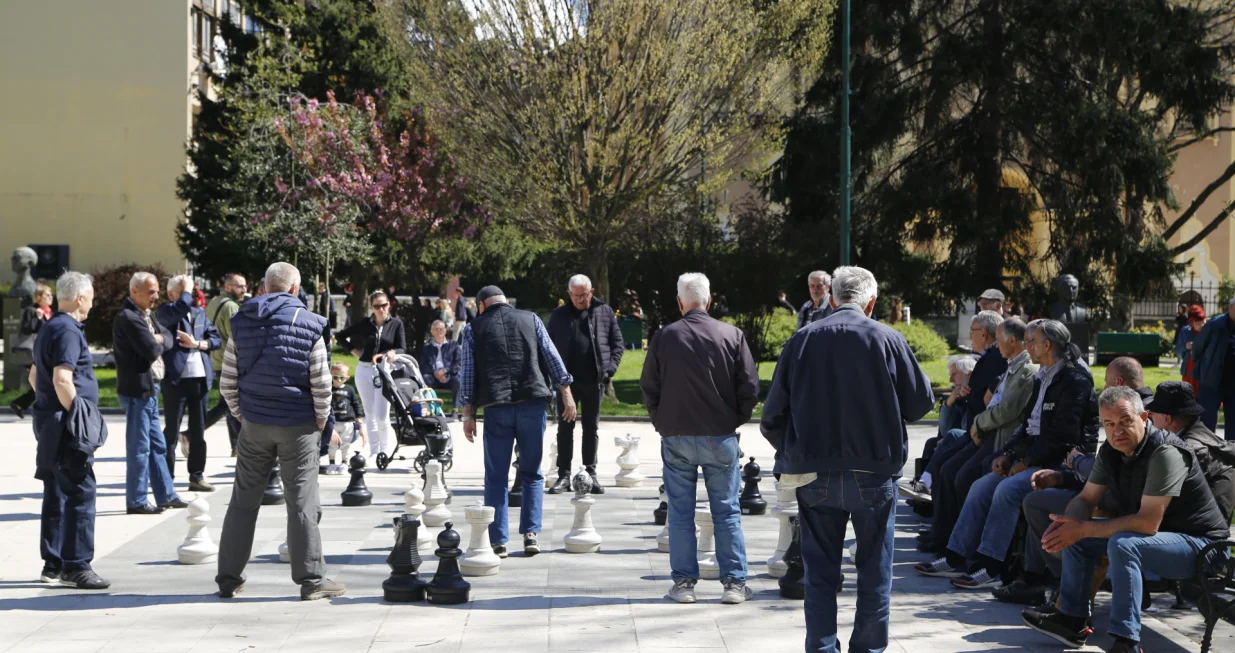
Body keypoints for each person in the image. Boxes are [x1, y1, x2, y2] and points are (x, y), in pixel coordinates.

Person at [761, 266, 934, 651]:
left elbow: (772, 416)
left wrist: (794, 452)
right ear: (871, 302)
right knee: (875, 572)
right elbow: (921, 402)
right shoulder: (888, 339)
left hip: (815, 470)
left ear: (834, 298)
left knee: (820, 575)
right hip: (874, 469)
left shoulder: (802, 340)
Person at [1023, 387, 1231, 653]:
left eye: (1125, 421)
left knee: (1123, 544)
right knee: (1078, 537)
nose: (1117, 431)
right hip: (1159, 540)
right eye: (1109, 424)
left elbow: (1147, 523)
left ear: (1144, 417)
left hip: (1202, 547)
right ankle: (1071, 621)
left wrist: (1084, 528)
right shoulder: (1110, 451)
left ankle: (1126, 641)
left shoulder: (1165, 452)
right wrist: (1070, 524)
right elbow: (1086, 499)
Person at [918, 320, 1099, 588]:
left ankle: (990, 566)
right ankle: (955, 556)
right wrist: (1010, 454)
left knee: (1008, 489)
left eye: (1031, 342)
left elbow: (1063, 438)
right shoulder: (1043, 376)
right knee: (981, 486)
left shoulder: (1074, 380)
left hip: (1061, 464)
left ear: (1046, 345)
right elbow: (1028, 426)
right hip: (1034, 456)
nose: (1027, 347)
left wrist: (1026, 462)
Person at [216, 262, 344, 601]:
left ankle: (228, 578)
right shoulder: (310, 324)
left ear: (264, 287)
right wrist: (320, 420)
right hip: (298, 425)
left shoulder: (241, 321)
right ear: (294, 289)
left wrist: (244, 415)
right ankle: (312, 580)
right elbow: (321, 381)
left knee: (243, 501)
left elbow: (227, 381)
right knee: (301, 503)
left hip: (255, 424)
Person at [642, 273, 759, 605]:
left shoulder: (664, 337)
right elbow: (749, 387)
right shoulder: (731, 335)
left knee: (680, 512)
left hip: (676, 434)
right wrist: (733, 419)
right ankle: (734, 584)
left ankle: (683, 584)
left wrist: (661, 422)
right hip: (719, 435)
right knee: (727, 511)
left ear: (680, 302)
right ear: (709, 300)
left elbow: (649, 386)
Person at [459, 286, 576, 558]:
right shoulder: (531, 319)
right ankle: (531, 535)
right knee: (533, 473)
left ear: (482, 306)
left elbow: (468, 374)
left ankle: (499, 541)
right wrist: (566, 391)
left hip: (496, 408)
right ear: (505, 302)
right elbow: (551, 356)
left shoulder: (473, 329)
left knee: (496, 477)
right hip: (532, 404)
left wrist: (468, 413)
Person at [29, 271, 111, 589]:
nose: (92, 303)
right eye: (90, 297)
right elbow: (61, 379)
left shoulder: (50, 327)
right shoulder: (67, 330)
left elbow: (35, 377)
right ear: (80, 298)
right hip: (65, 426)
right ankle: (77, 565)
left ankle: (57, 563)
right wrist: (79, 417)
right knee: (80, 490)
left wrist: (48, 408)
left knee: (58, 490)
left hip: (51, 421)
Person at [916, 312, 1010, 553]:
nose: (970, 336)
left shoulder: (998, 358)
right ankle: (941, 532)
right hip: (976, 430)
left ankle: (949, 539)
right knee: (945, 463)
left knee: (953, 471)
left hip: (985, 434)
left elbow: (996, 400)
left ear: (984, 334)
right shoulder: (988, 356)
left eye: (972, 331)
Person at [114, 271, 187, 514]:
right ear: (134, 291)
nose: (156, 296)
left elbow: (167, 338)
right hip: (137, 391)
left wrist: (159, 337)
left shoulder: (147, 315)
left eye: (157, 290)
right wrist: (157, 339)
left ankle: (165, 494)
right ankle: (136, 501)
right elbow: (151, 349)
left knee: (157, 446)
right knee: (140, 447)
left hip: (150, 389)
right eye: (151, 291)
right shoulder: (128, 317)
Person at [547, 274, 624, 494]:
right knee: (565, 428)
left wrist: (609, 370)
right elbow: (548, 348)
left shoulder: (604, 312)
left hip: (594, 380)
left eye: (585, 295)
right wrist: (557, 380)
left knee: (591, 428)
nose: (581, 299)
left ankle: (590, 473)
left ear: (591, 292)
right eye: (576, 296)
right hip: (566, 383)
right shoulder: (559, 316)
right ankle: (563, 475)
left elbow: (617, 344)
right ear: (569, 294)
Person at [157, 275, 222, 491]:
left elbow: (216, 339)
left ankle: (197, 476)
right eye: (185, 291)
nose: (190, 295)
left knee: (198, 431)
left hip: (200, 379)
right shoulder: (166, 311)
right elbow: (179, 307)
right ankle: (167, 478)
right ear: (172, 294)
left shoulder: (199, 312)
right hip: (176, 380)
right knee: (172, 432)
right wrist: (184, 289)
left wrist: (198, 344)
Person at [1146, 381, 1235, 520]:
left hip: (1200, 531)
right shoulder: (1199, 433)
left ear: (1167, 418)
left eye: (1152, 414)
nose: (1150, 418)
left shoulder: (1190, 449)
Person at [334, 290, 407, 460]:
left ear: (389, 304)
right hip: (364, 369)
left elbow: (402, 347)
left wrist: (392, 352)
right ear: (371, 307)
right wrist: (356, 352)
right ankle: (375, 452)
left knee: (382, 414)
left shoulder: (396, 324)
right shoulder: (366, 324)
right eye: (377, 306)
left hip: (384, 370)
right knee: (370, 414)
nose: (381, 309)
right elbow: (340, 336)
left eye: (384, 305)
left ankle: (386, 450)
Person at [204, 273, 246, 456]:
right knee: (229, 405)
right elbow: (237, 336)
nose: (244, 289)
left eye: (244, 286)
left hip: (216, 359)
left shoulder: (214, 302)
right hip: (229, 361)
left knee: (230, 404)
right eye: (239, 286)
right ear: (228, 287)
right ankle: (190, 434)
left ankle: (236, 447)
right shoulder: (231, 307)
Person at [1189, 296, 1235, 434]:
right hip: (1211, 383)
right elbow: (1197, 348)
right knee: (1207, 423)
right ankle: (1207, 452)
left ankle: (1230, 454)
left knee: (1233, 424)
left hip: (1233, 385)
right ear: (1231, 307)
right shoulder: (1215, 325)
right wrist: (1206, 367)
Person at [8, 282, 53, 418]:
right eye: (47, 294)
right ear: (39, 297)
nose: (51, 297)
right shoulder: (32, 311)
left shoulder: (50, 312)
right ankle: (26, 404)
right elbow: (27, 329)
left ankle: (20, 404)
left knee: (43, 381)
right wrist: (37, 318)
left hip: (46, 352)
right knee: (45, 381)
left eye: (51, 294)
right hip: (34, 352)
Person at [326, 362, 367, 472]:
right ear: (330, 376)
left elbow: (356, 404)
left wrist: (359, 421)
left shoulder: (349, 389)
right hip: (334, 422)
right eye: (335, 377)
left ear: (347, 378)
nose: (338, 380)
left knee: (346, 444)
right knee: (332, 444)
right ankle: (332, 464)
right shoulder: (328, 389)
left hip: (347, 422)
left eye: (341, 378)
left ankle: (344, 463)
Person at [420, 320, 462, 419]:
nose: (439, 331)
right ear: (432, 332)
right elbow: (423, 366)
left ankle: (455, 410)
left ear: (445, 331)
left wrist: (445, 371)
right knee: (425, 378)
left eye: (441, 329)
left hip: (449, 375)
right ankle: (429, 409)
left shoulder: (454, 345)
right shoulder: (427, 349)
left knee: (458, 381)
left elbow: (458, 364)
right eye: (436, 329)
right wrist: (435, 373)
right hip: (433, 377)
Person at [1176, 304, 1206, 395]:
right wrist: (1186, 347)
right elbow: (1178, 350)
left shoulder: (1208, 331)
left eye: (1203, 322)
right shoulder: (1185, 331)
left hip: (1204, 368)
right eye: (1198, 323)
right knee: (1188, 394)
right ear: (1191, 322)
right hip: (1189, 368)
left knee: (1202, 395)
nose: (1201, 325)